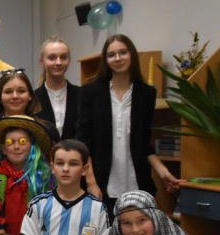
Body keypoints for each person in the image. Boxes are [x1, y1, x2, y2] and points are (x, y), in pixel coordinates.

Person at [76, 34, 180, 209]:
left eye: (123, 52)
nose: (118, 58)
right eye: (111, 55)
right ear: (106, 60)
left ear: (132, 55)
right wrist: (91, 183)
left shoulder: (147, 94)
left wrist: (163, 172)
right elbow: (83, 143)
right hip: (101, 185)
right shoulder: (90, 93)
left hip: (137, 184)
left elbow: (144, 144)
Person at [0, 115, 53, 235]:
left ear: (32, 146)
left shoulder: (45, 177)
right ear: (4, 149)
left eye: (22, 141)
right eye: (10, 142)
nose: (16, 147)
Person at [0, 68, 60, 142]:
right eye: (8, 92)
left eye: (21, 91)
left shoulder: (47, 130)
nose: (15, 96)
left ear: (30, 95)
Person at [34, 37, 80, 140]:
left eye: (63, 57)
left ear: (69, 60)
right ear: (42, 62)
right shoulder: (32, 98)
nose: (58, 62)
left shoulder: (82, 95)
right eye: (52, 58)